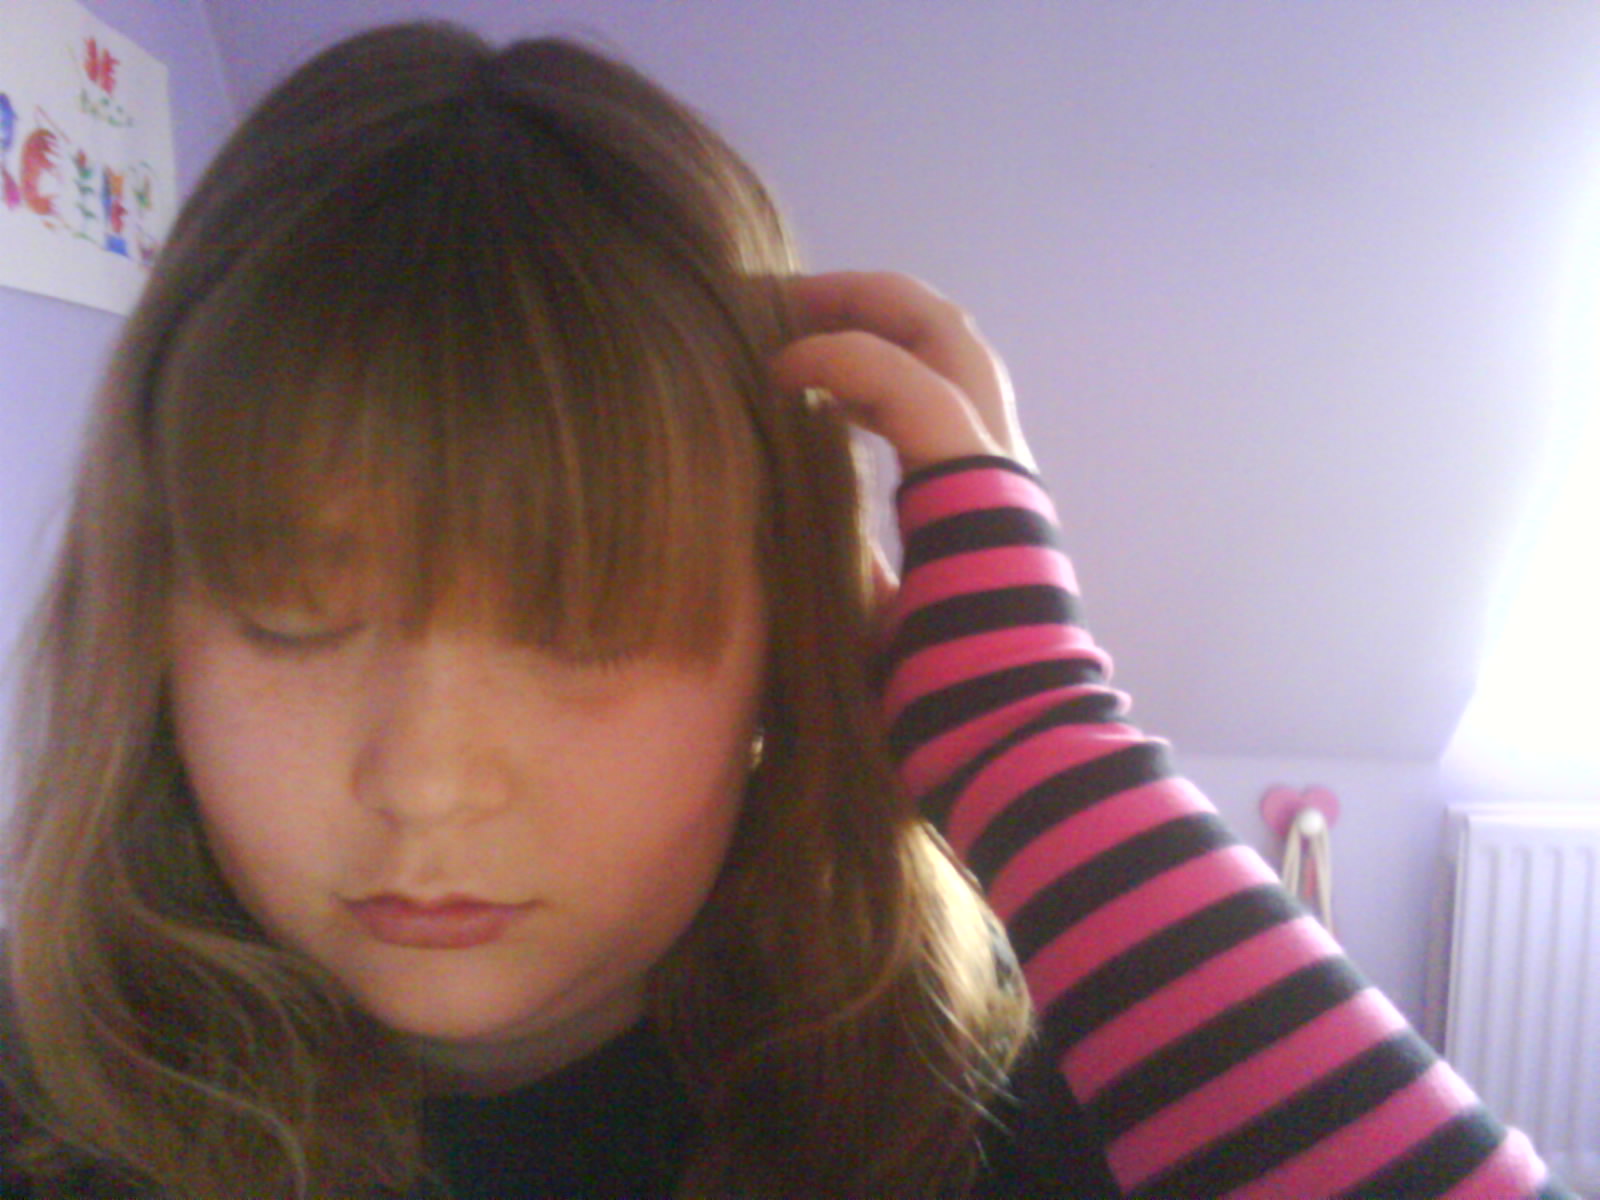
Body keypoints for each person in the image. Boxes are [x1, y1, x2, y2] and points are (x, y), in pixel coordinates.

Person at [0, 21, 1572, 1200]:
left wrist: (1038, 749)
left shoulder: (1024, 1108)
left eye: (586, 629)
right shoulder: (44, 1114)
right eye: (291, 617)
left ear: (782, 647)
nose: (424, 781)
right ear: (153, 631)